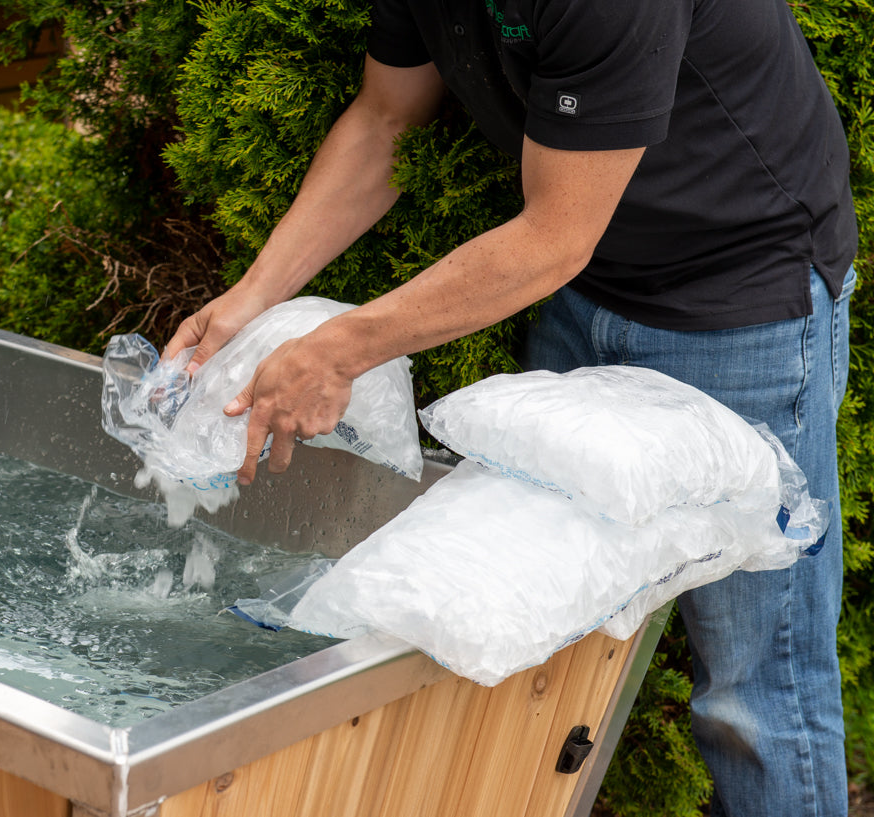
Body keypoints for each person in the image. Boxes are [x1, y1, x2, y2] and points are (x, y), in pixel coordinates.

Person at [163, 0, 858, 814]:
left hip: (738, 301)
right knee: (524, 628)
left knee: (754, 687)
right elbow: (385, 120)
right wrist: (254, 296)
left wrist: (341, 349)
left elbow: (555, 235)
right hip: (583, 285)